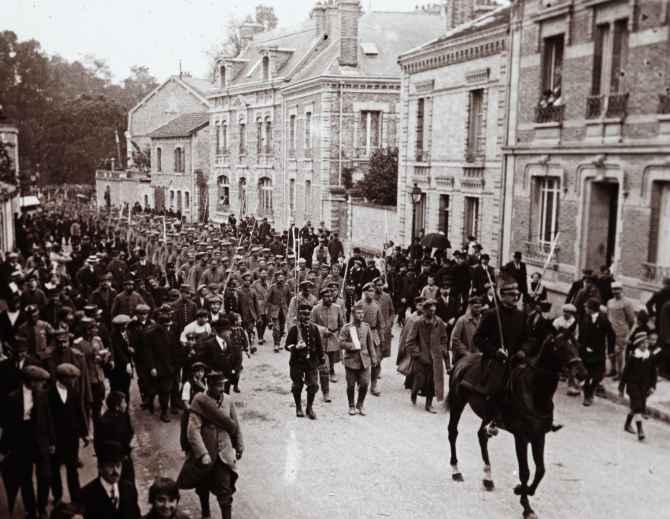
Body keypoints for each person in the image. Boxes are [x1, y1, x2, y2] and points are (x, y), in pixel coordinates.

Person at [185, 371, 244, 519]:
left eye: (223, 385)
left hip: (224, 454)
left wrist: (239, 445)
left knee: (225, 491)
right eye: (218, 386)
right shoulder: (199, 401)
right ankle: (206, 513)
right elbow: (193, 430)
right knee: (203, 487)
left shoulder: (228, 401)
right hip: (206, 453)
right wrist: (202, 453)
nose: (221, 388)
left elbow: (235, 424)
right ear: (209, 385)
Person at [0, 365, 54, 519]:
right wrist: (4, 449)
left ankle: (42, 507)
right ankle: (31, 510)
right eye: (39, 382)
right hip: (22, 442)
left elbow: (48, 419)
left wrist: (52, 442)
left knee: (45, 476)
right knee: (25, 478)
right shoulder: (13, 398)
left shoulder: (43, 395)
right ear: (30, 382)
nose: (42, 385)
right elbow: (8, 425)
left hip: (41, 440)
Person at [49, 363, 89, 504]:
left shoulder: (74, 392)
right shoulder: (49, 393)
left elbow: (79, 413)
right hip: (56, 438)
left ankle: (76, 497)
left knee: (72, 468)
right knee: (55, 468)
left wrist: (84, 433)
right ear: (63, 378)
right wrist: (51, 441)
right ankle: (58, 496)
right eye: (71, 378)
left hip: (71, 437)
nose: (74, 380)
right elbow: (48, 419)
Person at [405, 299, 448, 413]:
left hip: (435, 358)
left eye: (434, 310)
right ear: (425, 310)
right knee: (419, 381)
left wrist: (443, 349)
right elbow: (410, 341)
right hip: (421, 358)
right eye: (430, 310)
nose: (433, 312)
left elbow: (444, 338)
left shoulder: (439, 322)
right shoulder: (418, 323)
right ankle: (414, 392)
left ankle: (429, 404)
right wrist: (417, 354)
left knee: (432, 382)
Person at [80, 440, 141, 519]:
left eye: (118, 465)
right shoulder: (87, 494)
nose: (116, 471)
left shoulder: (129, 489)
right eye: (110, 466)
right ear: (100, 468)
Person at [285, 303, 323, 419]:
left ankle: (309, 408)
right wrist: (296, 347)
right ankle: (298, 407)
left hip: (311, 362)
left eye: (308, 314)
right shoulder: (294, 329)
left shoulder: (314, 328)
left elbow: (319, 345)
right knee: (297, 386)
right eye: (303, 314)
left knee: (313, 385)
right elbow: (287, 345)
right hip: (297, 362)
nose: (306, 316)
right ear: (299, 315)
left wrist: (321, 358)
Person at [339, 302, 378, 415]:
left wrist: (374, 357)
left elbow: (370, 344)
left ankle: (360, 405)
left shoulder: (366, 327)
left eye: (362, 313)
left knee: (365, 383)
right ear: (353, 314)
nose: (361, 315)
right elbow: (340, 342)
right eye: (358, 313)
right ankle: (351, 405)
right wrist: (351, 346)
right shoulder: (347, 328)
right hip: (351, 361)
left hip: (364, 361)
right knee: (351, 385)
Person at [619, 331, 657, 441]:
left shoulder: (650, 356)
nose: (645, 345)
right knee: (638, 407)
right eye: (642, 344)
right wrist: (622, 387)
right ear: (638, 344)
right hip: (633, 385)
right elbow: (626, 372)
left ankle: (627, 424)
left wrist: (653, 386)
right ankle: (640, 430)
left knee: (635, 407)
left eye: (646, 343)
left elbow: (653, 373)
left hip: (644, 387)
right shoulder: (633, 356)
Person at [579, 298, 616, 407]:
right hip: (586, 352)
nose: (585, 309)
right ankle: (587, 396)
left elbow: (611, 335)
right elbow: (581, 335)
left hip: (599, 352)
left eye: (586, 307)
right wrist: (582, 348)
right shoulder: (585, 318)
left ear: (591, 309)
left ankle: (592, 389)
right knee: (586, 375)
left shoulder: (603, 320)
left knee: (598, 375)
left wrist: (610, 350)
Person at [95, 391, 136, 488]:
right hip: (112, 461)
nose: (126, 405)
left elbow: (130, 432)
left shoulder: (124, 416)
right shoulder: (104, 422)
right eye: (124, 402)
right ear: (117, 406)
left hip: (125, 458)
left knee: (128, 485)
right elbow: (99, 445)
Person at [358, 282, 385, 396]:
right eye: (368, 291)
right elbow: (353, 322)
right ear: (364, 292)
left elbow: (381, 323)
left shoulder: (377, 305)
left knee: (376, 361)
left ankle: (373, 384)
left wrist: (382, 337)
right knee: (360, 360)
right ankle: (361, 383)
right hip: (362, 333)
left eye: (372, 291)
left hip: (374, 334)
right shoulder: (359, 304)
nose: (371, 293)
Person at [606, 281, 635, 380]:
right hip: (610, 331)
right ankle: (612, 369)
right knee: (610, 351)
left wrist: (628, 332)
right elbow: (608, 315)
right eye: (614, 289)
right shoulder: (610, 302)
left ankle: (619, 373)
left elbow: (631, 319)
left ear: (622, 290)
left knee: (618, 352)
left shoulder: (627, 303)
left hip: (621, 331)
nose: (615, 291)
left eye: (618, 289)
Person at [450, 296, 483, 366]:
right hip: (465, 356)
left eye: (480, 307)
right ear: (470, 306)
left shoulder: (483, 320)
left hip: (480, 355)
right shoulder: (462, 320)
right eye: (476, 307)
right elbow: (455, 340)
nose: (478, 309)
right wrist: (466, 353)